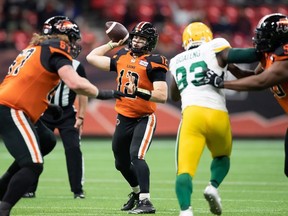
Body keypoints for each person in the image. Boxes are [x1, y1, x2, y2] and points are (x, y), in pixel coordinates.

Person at [0, 15, 124, 216]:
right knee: (33, 165)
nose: (74, 44)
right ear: (63, 36)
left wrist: (49, 104)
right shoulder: (56, 48)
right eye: (72, 38)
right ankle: (4, 208)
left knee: (47, 141)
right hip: (12, 108)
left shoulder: (34, 49)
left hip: (13, 105)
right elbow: (75, 83)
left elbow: (27, 81)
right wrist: (103, 93)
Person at [169, 22, 259, 216]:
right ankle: (213, 186)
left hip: (193, 114)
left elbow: (173, 95)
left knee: (184, 170)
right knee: (222, 157)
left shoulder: (176, 60)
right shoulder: (215, 47)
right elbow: (245, 56)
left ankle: (186, 211)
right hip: (218, 114)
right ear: (208, 37)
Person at [86, 21, 168, 214]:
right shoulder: (122, 55)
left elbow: (162, 96)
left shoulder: (155, 61)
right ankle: (137, 193)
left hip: (144, 117)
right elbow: (91, 57)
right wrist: (112, 44)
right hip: (124, 117)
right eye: (135, 37)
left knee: (136, 156)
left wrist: (138, 90)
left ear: (150, 42)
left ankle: (146, 202)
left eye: (142, 39)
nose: (137, 41)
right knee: (120, 163)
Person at [198, 13, 288, 178]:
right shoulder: (270, 55)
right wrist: (230, 66)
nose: (259, 39)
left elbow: (260, 82)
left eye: (265, 35)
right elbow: (253, 77)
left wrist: (221, 83)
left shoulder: (285, 56)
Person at [22, 59, 88, 199]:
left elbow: (83, 91)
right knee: (36, 149)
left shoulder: (76, 66)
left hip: (67, 113)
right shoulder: (44, 62)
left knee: (73, 148)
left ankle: (78, 190)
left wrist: (81, 116)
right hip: (45, 112)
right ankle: (29, 188)